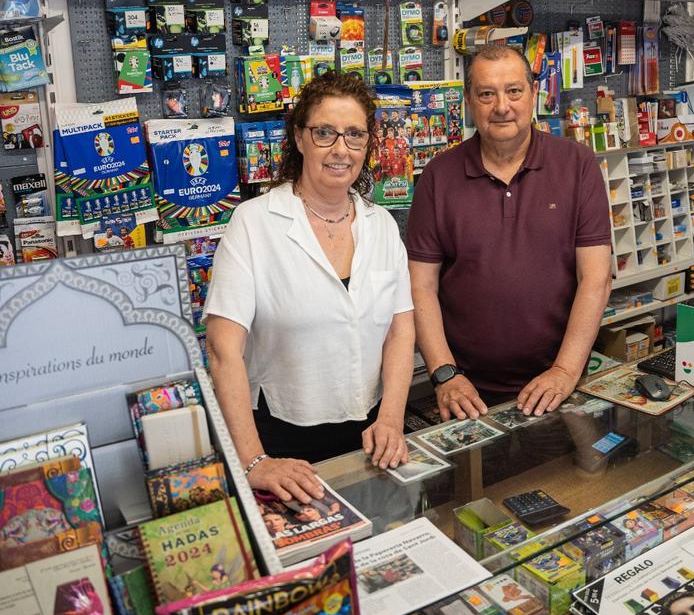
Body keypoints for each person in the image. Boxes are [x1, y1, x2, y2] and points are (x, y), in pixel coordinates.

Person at [206, 73, 415, 504]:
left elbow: (399, 330)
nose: (341, 149)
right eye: (325, 133)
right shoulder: (254, 223)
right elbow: (223, 349)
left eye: (355, 135)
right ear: (299, 138)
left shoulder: (382, 226)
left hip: (374, 436)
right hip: (282, 443)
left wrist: (392, 418)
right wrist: (253, 461)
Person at [406, 44, 612, 420]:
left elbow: (595, 279)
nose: (502, 106)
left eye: (514, 91)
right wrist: (444, 373)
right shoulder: (439, 176)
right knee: (475, 481)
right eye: (487, 94)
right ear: (469, 101)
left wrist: (565, 371)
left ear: (534, 94)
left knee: (561, 479)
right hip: (466, 391)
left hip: (558, 382)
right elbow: (420, 285)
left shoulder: (577, 165)